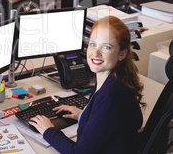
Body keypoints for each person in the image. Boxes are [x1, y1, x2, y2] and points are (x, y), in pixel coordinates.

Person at [29, 16, 145, 153]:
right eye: (93, 44)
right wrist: (85, 115)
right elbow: (127, 121)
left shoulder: (110, 95)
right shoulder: (116, 78)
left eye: (106, 47)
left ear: (122, 54)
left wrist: (48, 131)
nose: (96, 53)